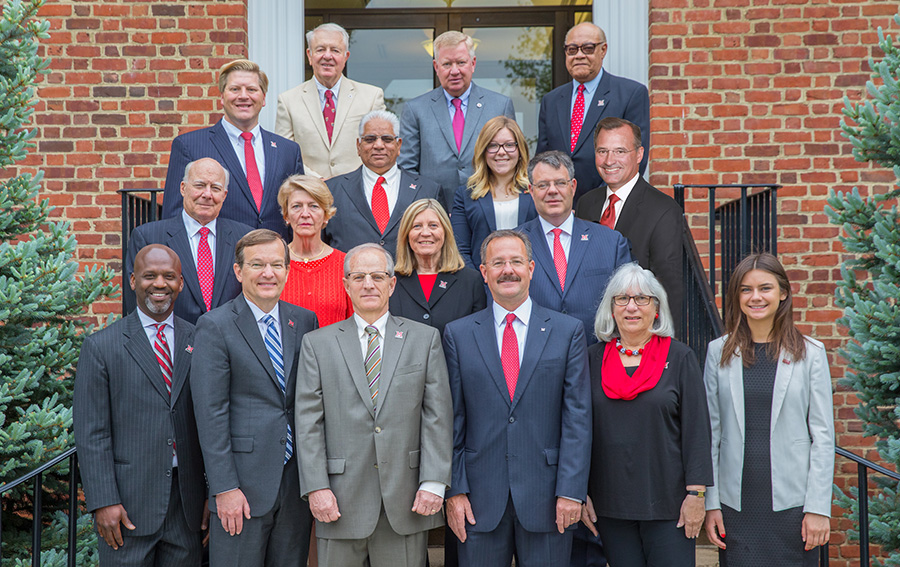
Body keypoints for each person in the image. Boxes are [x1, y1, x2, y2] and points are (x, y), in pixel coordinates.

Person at [294, 243, 453, 567]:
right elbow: (308, 421)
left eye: (378, 276)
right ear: (346, 284)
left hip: (407, 498)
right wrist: (316, 488)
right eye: (359, 276)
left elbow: (437, 415)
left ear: (392, 283)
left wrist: (434, 482)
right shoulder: (317, 343)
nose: (369, 284)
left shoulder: (425, 339)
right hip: (338, 499)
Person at [443, 230, 592, 567]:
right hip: (479, 500)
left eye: (515, 261)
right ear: (483, 272)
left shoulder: (567, 331)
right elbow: (452, 419)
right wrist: (455, 490)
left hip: (549, 497)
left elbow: (577, 419)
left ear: (531, 267)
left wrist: (571, 490)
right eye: (498, 263)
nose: (507, 270)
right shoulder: (459, 334)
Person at [192, 229, 319, 567]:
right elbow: (210, 414)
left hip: (295, 485)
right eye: (257, 264)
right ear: (238, 271)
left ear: (287, 271)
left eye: (277, 264)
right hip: (242, 487)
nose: (268, 273)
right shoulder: (215, 326)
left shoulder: (304, 321)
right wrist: (225, 488)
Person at [75, 244, 208, 566]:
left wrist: (210, 493)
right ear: (133, 281)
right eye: (150, 276)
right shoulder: (102, 346)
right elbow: (92, 432)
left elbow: (211, 420)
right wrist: (104, 501)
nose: (159, 284)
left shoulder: (201, 340)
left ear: (180, 284)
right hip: (127, 506)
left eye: (169, 277)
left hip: (186, 506)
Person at [704, 252, 834, 566]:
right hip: (735, 504)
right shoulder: (716, 352)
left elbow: (823, 437)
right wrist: (711, 504)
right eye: (746, 289)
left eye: (765, 288)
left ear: (783, 293)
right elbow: (710, 434)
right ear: (736, 296)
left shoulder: (811, 354)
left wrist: (818, 508)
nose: (756, 297)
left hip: (793, 505)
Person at [579, 263, 712, 567]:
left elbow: (697, 431)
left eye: (642, 299)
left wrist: (697, 495)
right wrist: (580, 491)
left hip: (670, 506)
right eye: (622, 299)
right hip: (611, 506)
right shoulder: (591, 359)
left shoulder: (680, 358)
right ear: (611, 310)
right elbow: (580, 430)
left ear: (657, 308)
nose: (632, 307)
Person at [162, 60, 303, 240]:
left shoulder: (288, 150)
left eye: (251, 90)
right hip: (218, 259)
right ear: (222, 97)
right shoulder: (189, 145)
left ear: (264, 98)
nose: (243, 96)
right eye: (235, 89)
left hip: (276, 261)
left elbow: (299, 209)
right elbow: (173, 216)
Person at [575, 117, 684, 333]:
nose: (609, 160)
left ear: (639, 154)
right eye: (602, 151)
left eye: (620, 151)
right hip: (589, 329)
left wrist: (663, 339)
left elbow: (669, 284)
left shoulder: (663, 209)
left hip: (638, 332)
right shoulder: (586, 203)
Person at [517, 151, 633, 345]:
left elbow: (628, 303)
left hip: (598, 357)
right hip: (534, 358)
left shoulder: (610, 242)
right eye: (543, 185)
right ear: (531, 190)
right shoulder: (515, 244)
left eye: (560, 183)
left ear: (573, 186)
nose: (552, 190)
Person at [125, 158, 253, 324]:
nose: (207, 194)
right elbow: (135, 300)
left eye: (215, 188)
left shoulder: (244, 237)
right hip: (172, 343)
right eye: (199, 185)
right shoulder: (148, 237)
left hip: (229, 344)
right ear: (183, 188)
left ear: (224, 195)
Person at [399, 31, 516, 206]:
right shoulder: (415, 109)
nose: (455, 71)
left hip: (489, 206)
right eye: (447, 64)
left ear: (473, 63)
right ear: (436, 67)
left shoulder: (500, 106)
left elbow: (512, 161)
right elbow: (407, 170)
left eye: (461, 62)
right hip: (434, 212)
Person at [537, 23, 649, 202]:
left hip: (608, 206)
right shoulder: (551, 101)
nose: (579, 55)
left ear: (603, 50)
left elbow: (636, 160)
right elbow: (543, 158)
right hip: (559, 207)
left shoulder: (630, 94)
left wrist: (597, 202)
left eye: (588, 48)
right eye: (572, 49)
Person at [325, 110, 445, 254]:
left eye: (387, 139)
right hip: (350, 275)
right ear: (358, 146)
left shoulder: (428, 190)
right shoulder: (331, 190)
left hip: (410, 275)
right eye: (370, 139)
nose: (379, 145)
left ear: (399, 145)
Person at [275, 23, 386, 179]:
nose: (327, 56)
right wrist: (316, 180)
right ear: (309, 55)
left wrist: (351, 183)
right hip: (310, 193)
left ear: (346, 57)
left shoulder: (372, 96)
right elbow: (284, 153)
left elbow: (379, 148)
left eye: (335, 50)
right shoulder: (288, 101)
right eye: (320, 50)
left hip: (358, 191)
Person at [451, 116, 538, 269]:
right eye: (493, 146)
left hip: (532, 283)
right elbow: (460, 251)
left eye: (509, 145)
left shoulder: (536, 191)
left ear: (520, 150)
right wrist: (480, 284)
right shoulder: (465, 195)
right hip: (481, 285)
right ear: (483, 151)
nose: (501, 152)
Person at [390, 198, 486, 335]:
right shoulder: (391, 281)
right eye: (416, 226)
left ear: (445, 231)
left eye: (433, 225)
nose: (425, 233)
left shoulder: (471, 281)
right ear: (406, 234)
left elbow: (477, 335)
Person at [278, 174, 353, 326]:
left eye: (314, 206)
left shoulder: (346, 264)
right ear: (286, 215)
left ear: (326, 215)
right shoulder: (273, 263)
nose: (305, 214)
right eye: (296, 206)